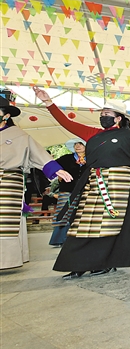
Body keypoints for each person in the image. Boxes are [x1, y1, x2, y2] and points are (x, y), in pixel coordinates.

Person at [33, 87, 130, 279]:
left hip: (118, 184)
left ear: (118, 118)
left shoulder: (128, 137)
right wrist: (49, 103)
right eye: (102, 114)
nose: (102, 116)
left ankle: (105, 262)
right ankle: (78, 263)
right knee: (83, 223)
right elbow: (67, 123)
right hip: (94, 182)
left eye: (107, 114)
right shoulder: (93, 134)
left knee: (109, 225)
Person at [0, 95, 72, 269]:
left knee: (4, 223)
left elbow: (37, 153)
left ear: (6, 115)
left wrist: (55, 169)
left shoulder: (18, 135)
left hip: (8, 183)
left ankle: (5, 260)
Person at [49, 139, 88, 247]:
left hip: (84, 190)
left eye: (80, 144)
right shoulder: (65, 158)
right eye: (76, 144)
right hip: (67, 189)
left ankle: (79, 239)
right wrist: (59, 175)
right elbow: (52, 165)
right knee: (63, 212)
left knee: (82, 213)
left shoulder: (91, 159)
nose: (77, 146)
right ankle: (60, 239)